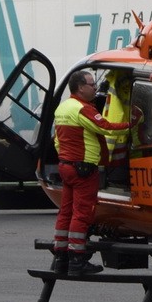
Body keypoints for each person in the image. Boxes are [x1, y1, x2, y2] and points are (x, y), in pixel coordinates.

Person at [51, 70, 131, 276]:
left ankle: (60, 258)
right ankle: (77, 260)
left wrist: (67, 158)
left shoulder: (63, 107)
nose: (95, 87)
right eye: (91, 84)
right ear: (80, 87)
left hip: (66, 166)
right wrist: (133, 125)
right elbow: (107, 128)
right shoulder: (83, 109)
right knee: (82, 213)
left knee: (66, 212)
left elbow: (57, 141)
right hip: (83, 169)